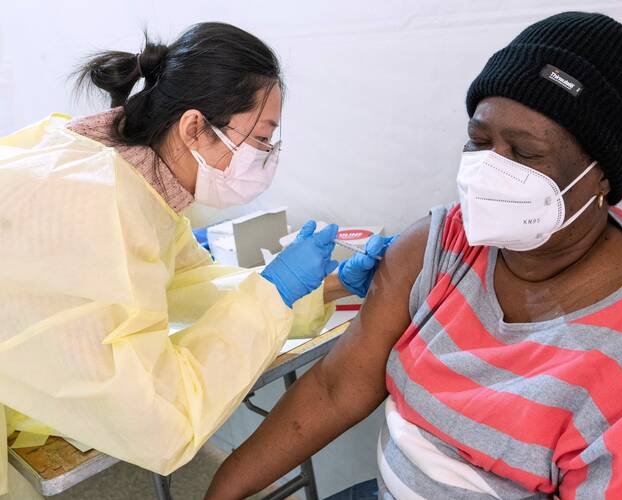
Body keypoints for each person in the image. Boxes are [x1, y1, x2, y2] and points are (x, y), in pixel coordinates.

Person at [205, 12, 622, 500]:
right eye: (479, 141)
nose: (489, 172)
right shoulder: (444, 244)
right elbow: (335, 388)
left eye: (525, 153)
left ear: (601, 175)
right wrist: (220, 492)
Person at [0, 22, 392, 495]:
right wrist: (276, 291)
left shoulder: (130, 181)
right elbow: (158, 422)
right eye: (262, 138)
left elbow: (192, 287)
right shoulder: (99, 205)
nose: (267, 156)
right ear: (193, 128)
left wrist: (326, 287)